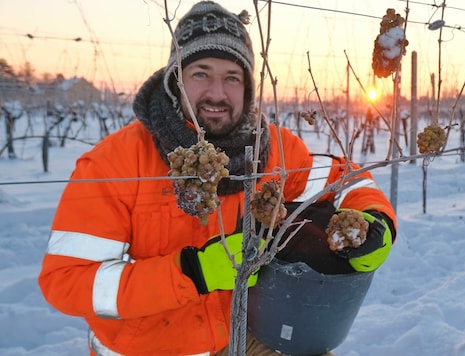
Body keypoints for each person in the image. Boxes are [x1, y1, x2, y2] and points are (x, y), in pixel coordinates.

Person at [38, 1, 397, 355]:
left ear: (248, 88)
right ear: (175, 79)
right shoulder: (115, 161)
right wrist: (191, 272)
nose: (217, 93)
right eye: (201, 73)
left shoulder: (270, 150)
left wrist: (376, 224)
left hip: (241, 333)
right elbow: (67, 282)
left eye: (231, 78)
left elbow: (345, 179)